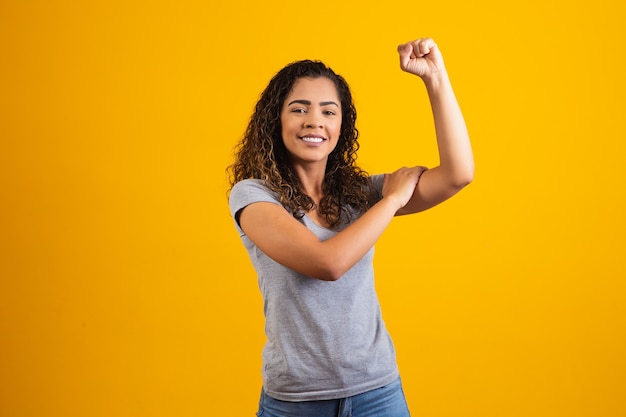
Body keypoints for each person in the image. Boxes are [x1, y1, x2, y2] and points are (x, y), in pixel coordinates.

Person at [227, 37, 474, 417]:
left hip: (378, 394)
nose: (315, 121)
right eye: (299, 109)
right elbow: (328, 263)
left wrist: (435, 79)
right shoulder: (253, 196)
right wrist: (391, 201)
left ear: (342, 126)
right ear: (275, 120)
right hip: (296, 405)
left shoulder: (357, 193)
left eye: (329, 111)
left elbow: (458, 175)